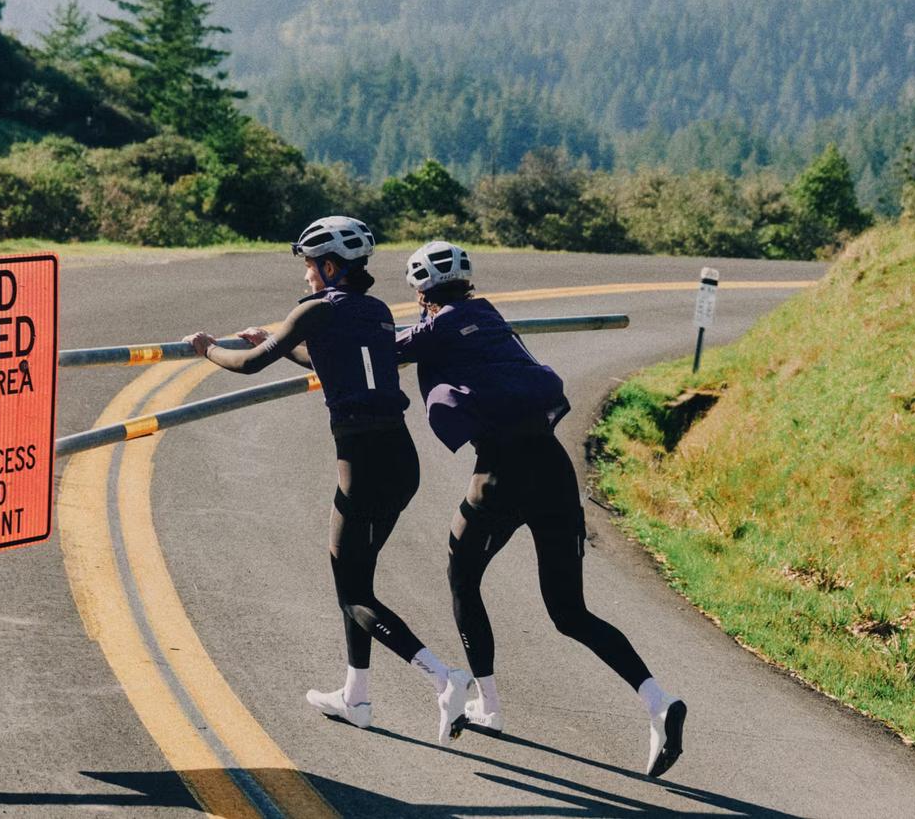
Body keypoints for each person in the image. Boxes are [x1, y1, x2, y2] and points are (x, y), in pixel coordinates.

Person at [394, 240, 687, 778]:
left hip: (502, 473)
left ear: (422, 290)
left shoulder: (442, 322)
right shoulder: (488, 317)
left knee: (462, 576)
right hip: (553, 469)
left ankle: (489, 704)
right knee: (569, 611)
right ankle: (658, 701)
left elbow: (380, 350)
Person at [182, 217, 473, 745]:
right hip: (400, 459)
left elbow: (247, 365)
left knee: (353, 588)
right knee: (354, 580)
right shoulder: (376, 310)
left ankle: (442, 676)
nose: (308, 275)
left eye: (311, 266)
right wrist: (275, 338)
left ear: (330, 266)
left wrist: (207, 349)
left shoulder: (316, 308)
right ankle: (355, 696)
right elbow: (324, 361)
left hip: (363, 463)